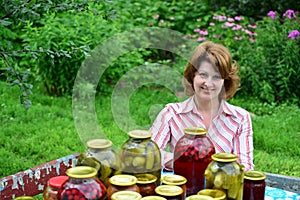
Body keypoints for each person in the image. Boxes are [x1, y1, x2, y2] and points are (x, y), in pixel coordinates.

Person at [149, 41, 254, 171]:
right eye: (203, 75)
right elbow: (148, 155)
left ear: (225, 81)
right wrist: (185, 162)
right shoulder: (171, 114)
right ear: (193, 75)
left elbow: (245, 168)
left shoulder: (240, 118)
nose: (208, 83)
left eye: (216, 77)